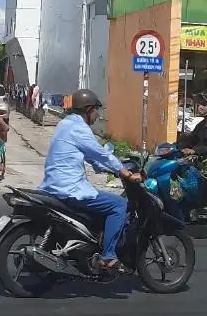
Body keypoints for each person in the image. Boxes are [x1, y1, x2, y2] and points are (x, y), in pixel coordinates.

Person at [40, 89, 140, 269]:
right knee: (118, 205)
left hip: (53, 185)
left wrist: (108, 169)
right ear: (88, 110)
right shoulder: (80, 128)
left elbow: (92, 157)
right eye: (96, 110)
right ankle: (109, 256)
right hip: (69, 188)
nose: (97, 114)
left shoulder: (65, 124)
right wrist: (123, 171)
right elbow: (100, 153)